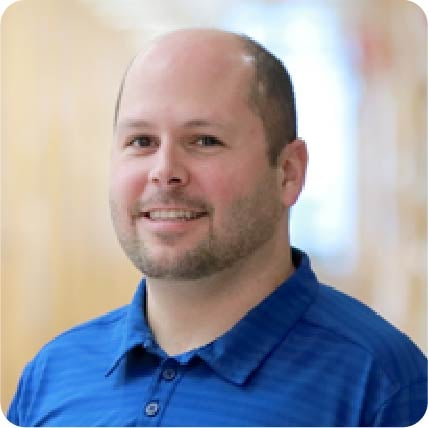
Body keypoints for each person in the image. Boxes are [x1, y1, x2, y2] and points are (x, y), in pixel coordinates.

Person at [7, 28, 427, 427]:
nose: (164, 171)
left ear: (288, 173)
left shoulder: (384, 388)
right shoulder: (51, 375)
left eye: (205, 141)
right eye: (141, 141)